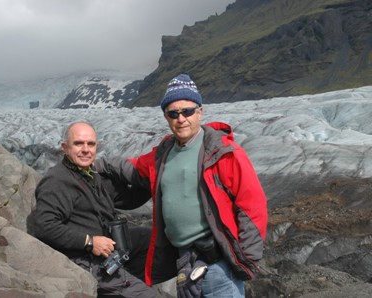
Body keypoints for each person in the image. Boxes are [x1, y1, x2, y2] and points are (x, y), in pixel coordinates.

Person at [96, 74, 268, 297]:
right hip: (184, 263)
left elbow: (251, 203)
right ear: (166, 116)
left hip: (219, 264)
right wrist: (95, 163)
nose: (181, 118)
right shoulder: (163, 154)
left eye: (187, 111)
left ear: (199, 111)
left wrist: (247, 259)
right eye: (173, 113)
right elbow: (133, 168)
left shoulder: (223, 152)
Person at [33, 122, 156, 298]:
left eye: (90, 144)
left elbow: (128, 199)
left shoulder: (90, 175)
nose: (86, 149)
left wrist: (153, 177)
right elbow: (45, 226)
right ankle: (119, 286)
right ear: (65, 148)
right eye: (78, 144)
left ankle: (123, 282)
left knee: (148, 238)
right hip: (85, 261)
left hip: (107, 250)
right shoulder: (57, 181)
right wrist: (89, 242)